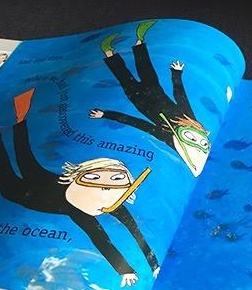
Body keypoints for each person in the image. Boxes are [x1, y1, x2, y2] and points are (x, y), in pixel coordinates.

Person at [0, 88, 159, 287]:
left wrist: (142, 267)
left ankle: (4, 127)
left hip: (51, 188)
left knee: (24, 169)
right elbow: (103, 237)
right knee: (21, 174)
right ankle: (10, 123)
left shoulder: (103, 206)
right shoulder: (85, 205)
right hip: (48, 191)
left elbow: (116, 235)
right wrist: (127, 269)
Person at [89, 20, 211, 177]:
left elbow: (139, 123)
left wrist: (106, 114)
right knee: (145, 69)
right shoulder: (190, 119)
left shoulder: (167, 136)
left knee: (124, 76)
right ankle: (139, 40)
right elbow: (181, 97)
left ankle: (108, 52)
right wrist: (176, 74)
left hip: (139, 99)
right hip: (155, 91)